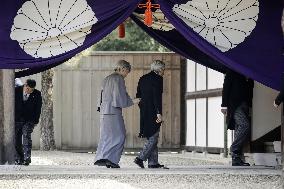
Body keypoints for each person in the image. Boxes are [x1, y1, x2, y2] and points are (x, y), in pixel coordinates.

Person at [94, 60, 134, 168]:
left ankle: (102, 158)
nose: (126, 75)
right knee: (120, 135)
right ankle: (112, 160)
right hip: (113, 111)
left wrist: (100, 107)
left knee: (106, 136)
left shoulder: (107, 78)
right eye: (127, 72)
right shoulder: (118, 79)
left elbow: (101, 96)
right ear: (123, 69)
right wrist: (132, 101)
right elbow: (118, 96)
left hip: (104, 111)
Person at [134, 60, 168, 169]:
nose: (164, 72)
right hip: (153, 110)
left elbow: (138, 96)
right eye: (163, 69)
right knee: (154, 136)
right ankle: (140, 158)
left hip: (144, 110)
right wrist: (158, 113)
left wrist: (143, 107)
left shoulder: (143, 78)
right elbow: (156, 97)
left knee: (151, 135)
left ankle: (153, 162)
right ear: (160, 69)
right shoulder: (158, 79)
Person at [221, 69, 254, 166]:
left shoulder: (247, 72)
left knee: (238, 128)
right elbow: (226, 87)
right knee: (245, 125)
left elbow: (249, 88)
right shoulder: (231, 71)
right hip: (234, 105)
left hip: (245, 104)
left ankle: (236, 159)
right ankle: (234, 149)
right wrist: (224, 105)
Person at [15, 79, 42, 165]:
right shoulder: (16, 90)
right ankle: (19, 158)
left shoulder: (37, 94)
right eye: (28, 89)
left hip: (29, 119)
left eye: (32, 90)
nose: (30, 92)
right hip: (17, 118)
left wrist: (35, 121)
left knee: (26, 136)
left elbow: (38, 109)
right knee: (16, 138)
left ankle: (27, 158)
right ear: (25, 86)